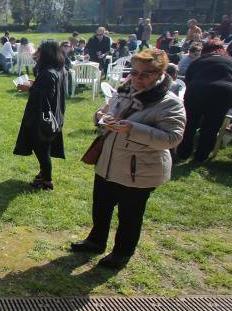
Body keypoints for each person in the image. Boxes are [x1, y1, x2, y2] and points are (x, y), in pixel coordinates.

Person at [71, 48, 185, 269]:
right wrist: (100, 116)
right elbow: (106, 110)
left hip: (139, 170)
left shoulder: (169, 102)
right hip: (108, 162)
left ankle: (122, 253)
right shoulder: (125, 90)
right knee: (101, 206)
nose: (137, 79)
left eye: (145, 74)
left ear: (159, 73)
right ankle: (96, 241)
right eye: (134, 72)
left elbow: (173, 138)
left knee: (130, 216)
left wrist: (132, 128)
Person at [13, 40, 68, 190]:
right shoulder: (60, 69)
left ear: (46, 54)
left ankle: (47, 180)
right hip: (55, 115)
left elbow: (44, 96)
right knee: (44, 147)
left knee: (41, 148)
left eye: (39, 51)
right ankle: (43, 174)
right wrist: (35, 83)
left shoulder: (48, 73)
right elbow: (48, 90)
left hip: (43, 118)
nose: (36, 54)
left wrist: (29, 88)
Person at [176, 39, 232, 162]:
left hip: (198, 89)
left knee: (190, 123)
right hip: (224, 92)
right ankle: (201, 156)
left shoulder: (199, 61)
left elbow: (188, 79)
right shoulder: (231, 61)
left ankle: (183, 152)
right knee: (212, 126)